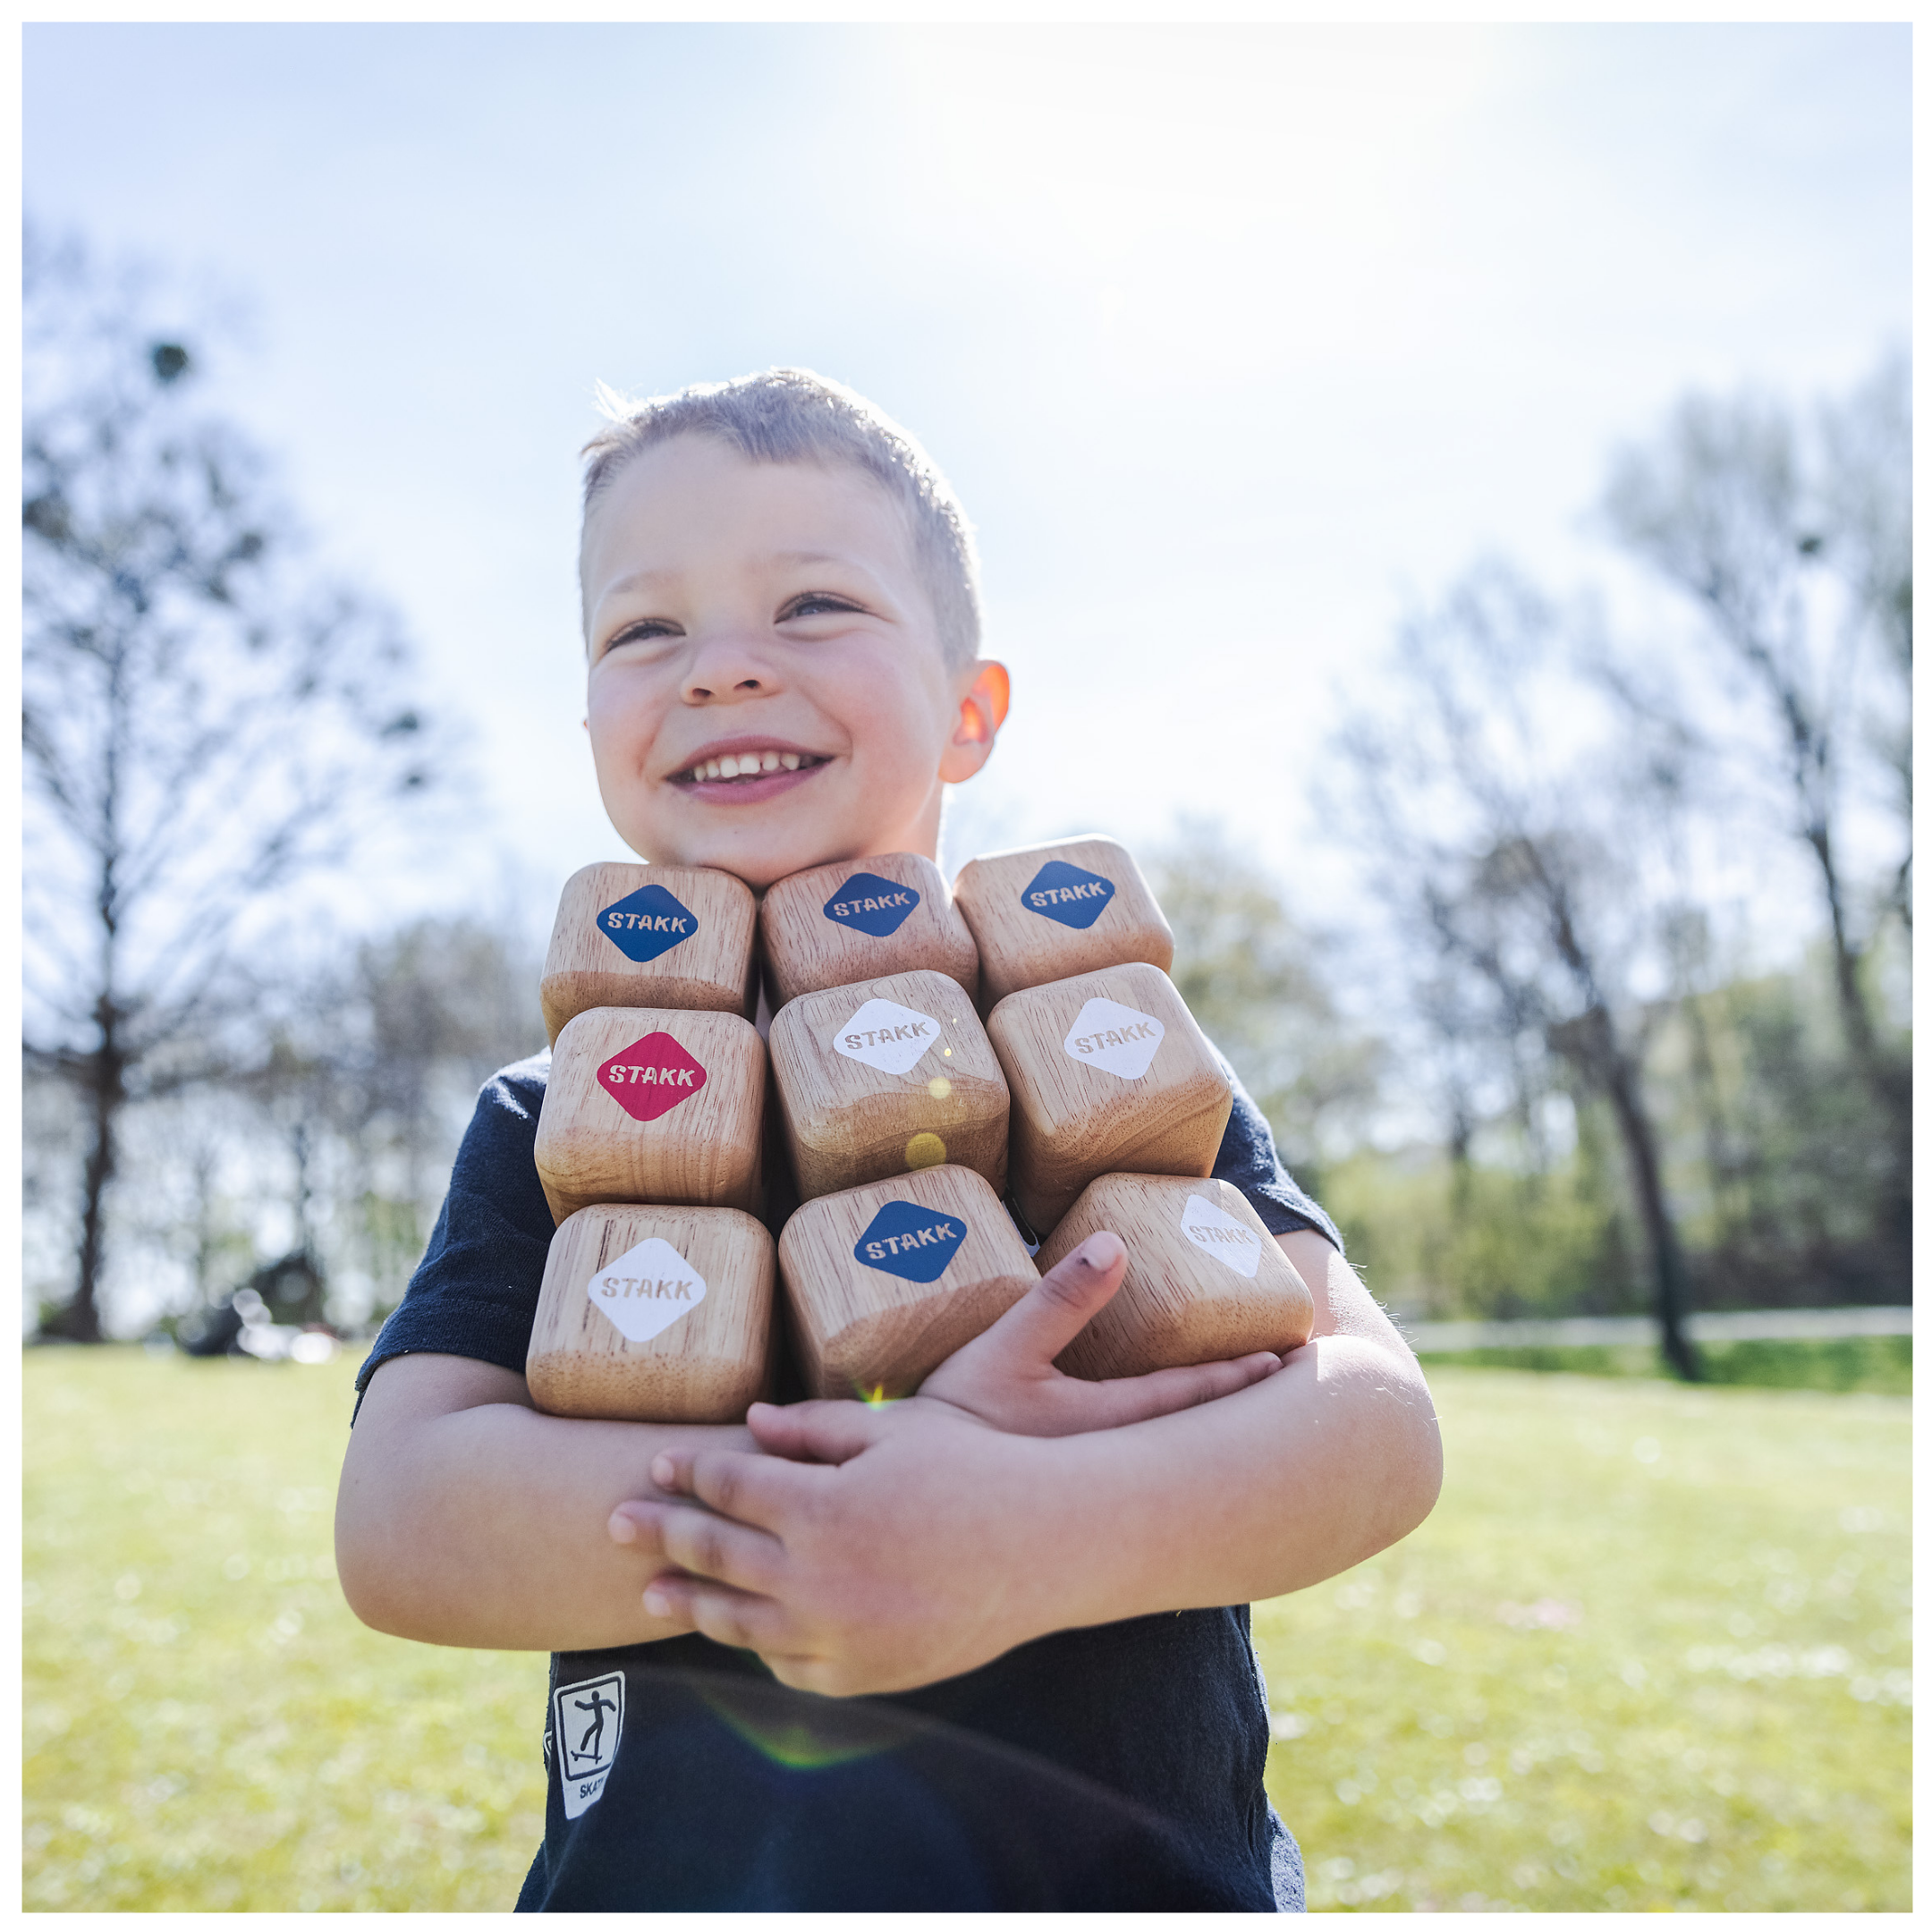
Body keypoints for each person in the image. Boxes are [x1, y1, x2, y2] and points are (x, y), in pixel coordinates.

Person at [334, 368, 1443, 1911]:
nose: (724, 667)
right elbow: (400, 1522)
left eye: (814, 605)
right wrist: (838, 1510)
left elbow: (1375, 1429)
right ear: (589, 716)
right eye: (645, 630)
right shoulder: (554, 1109)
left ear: (969, 709)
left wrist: (1022, 1526)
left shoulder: (1108, 1045)